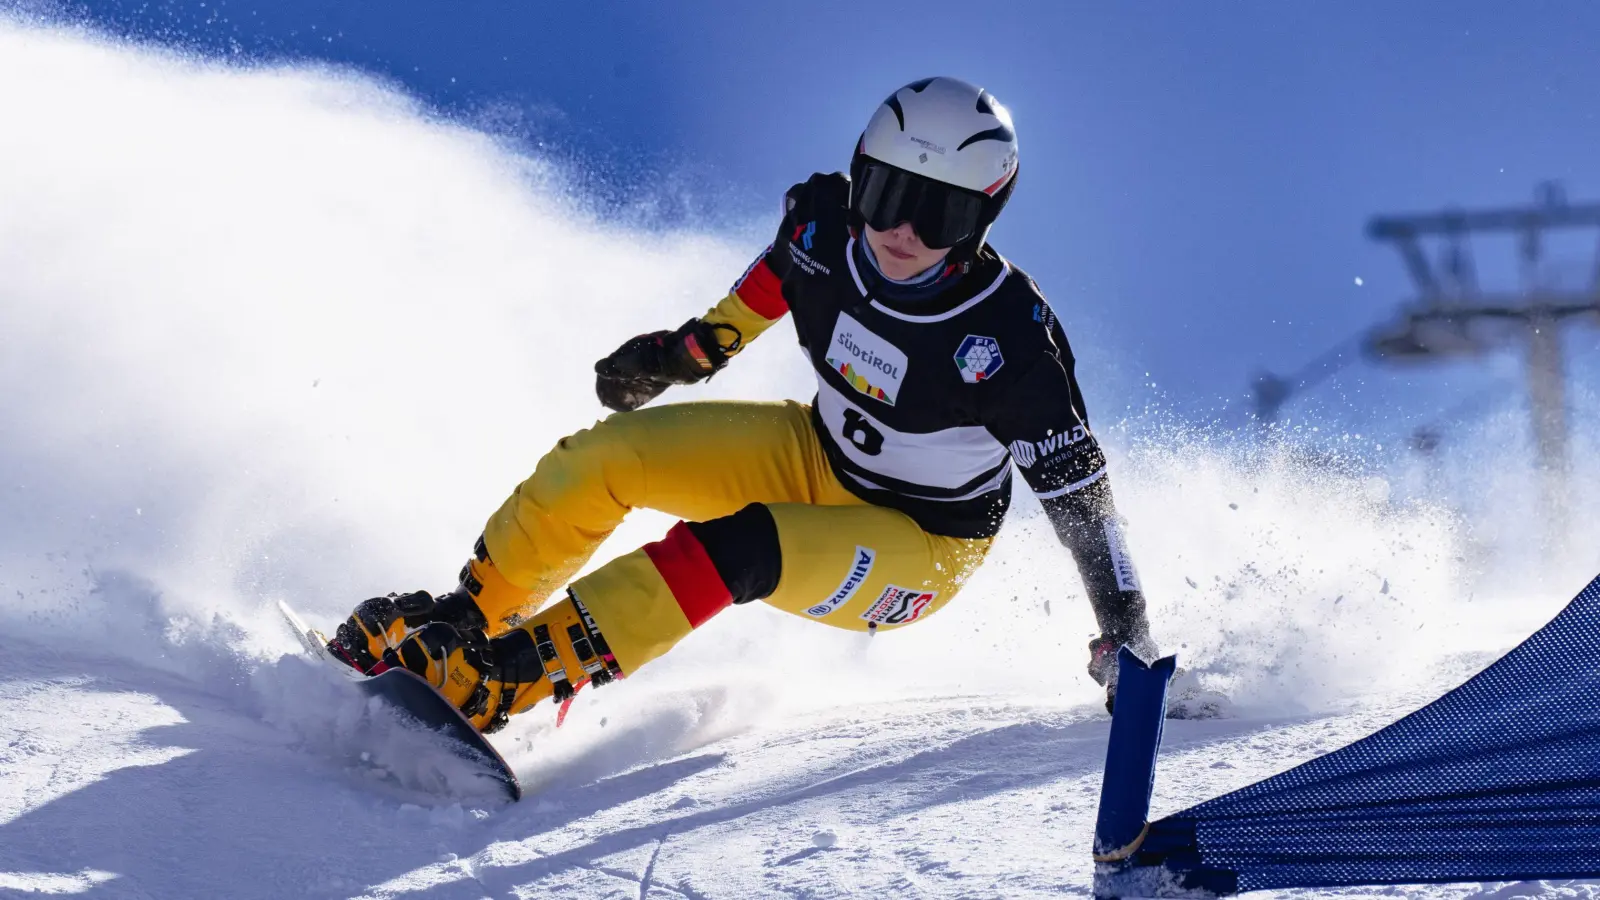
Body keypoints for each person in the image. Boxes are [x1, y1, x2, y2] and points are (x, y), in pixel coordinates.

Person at [328, 76, 1158, 732]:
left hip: (924, 542)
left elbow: (1083, 500)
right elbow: (777, 281)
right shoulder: (824, 226)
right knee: (602, 458)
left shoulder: (1006, 338)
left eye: (937, 211)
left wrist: (1127, 634)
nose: (900, 230)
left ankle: (513, 678)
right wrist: (679, 355)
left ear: (983, 217)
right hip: (816, 453)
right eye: (884, 193)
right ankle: (469, 625)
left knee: (736, 551)